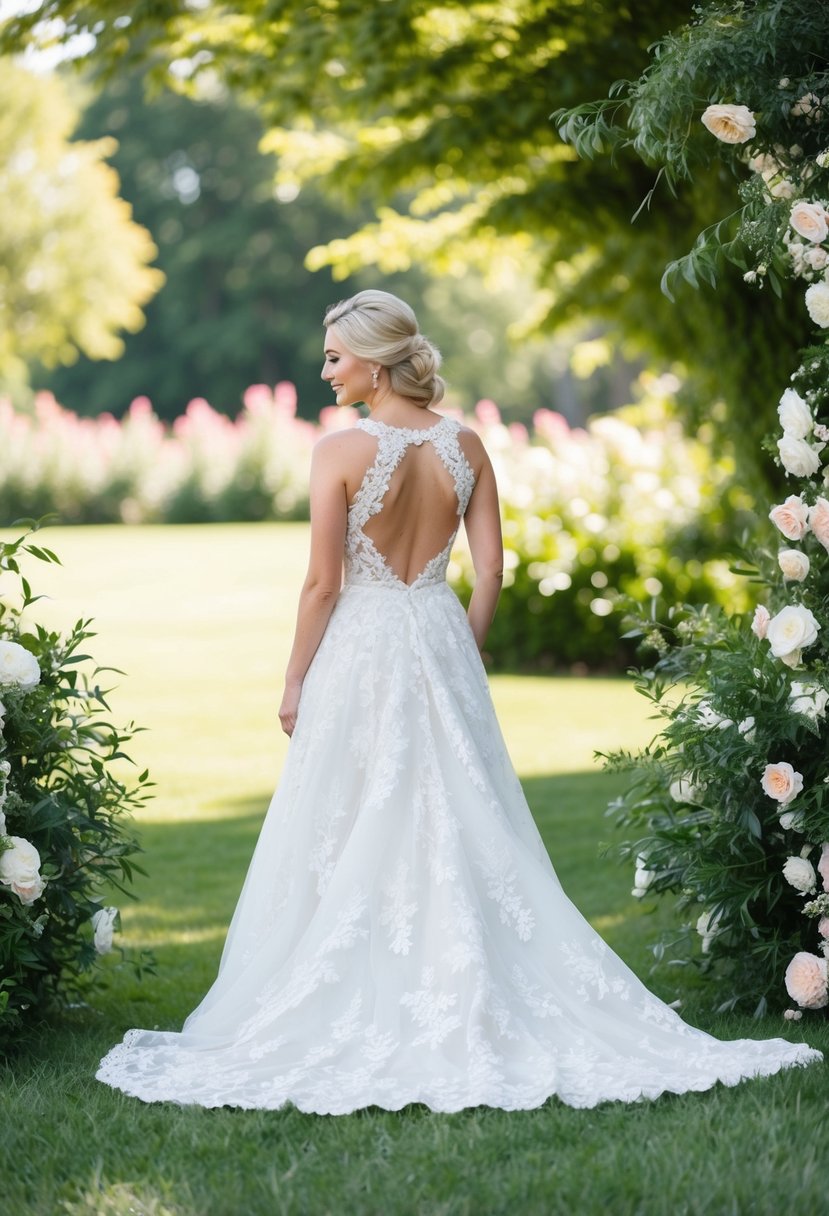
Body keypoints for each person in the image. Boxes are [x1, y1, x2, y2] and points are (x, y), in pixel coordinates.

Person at [97, 290, 821, 1112]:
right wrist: (466, 645)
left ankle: (367, 976)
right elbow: (495, 569)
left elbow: (323, 582)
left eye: (335, 355)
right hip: (438, 633)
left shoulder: (338, 451)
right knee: (458, 802)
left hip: (363, 647)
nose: (325, 368)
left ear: (374, 361)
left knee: (350, 804)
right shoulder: (465, 443)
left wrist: (295, 677)